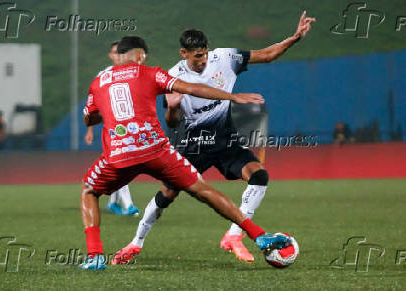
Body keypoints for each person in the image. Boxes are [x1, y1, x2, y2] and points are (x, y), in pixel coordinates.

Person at [115, 11, 315, 264]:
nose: (202, 60)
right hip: (194, 144)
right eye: (197, 56)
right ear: (183, 54)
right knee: (167, 193)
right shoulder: (172, 76)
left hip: (226, 139)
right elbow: (172, 123)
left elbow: (267, 55)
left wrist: (295, 37)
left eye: (205, 54)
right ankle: (136, 242)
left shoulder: (226, 58)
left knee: (259, 176)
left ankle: (233, 236)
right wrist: (173, 108)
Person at [79, 36, 290, 270]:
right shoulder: (151, 73)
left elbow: (89, 116)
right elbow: (192, 89)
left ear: (119, 55)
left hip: (121, 153)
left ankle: (95, 256)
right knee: (203, 190)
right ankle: (259, 235)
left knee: (89, 190)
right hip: (157, 150)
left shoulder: (99, 81)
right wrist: (232, 96)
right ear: (141, 55)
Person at [84, 40, 140, 216]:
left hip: (131, 127)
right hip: (113, 129)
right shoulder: (103, 75)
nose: (118, 55)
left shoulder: (133, 73)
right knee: (121, 163)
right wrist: (90, 129)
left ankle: (113, 202)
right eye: (115, 52)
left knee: (123, 165)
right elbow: (92, 105)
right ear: (111, 55)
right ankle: (129, 205)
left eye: (121, 52)